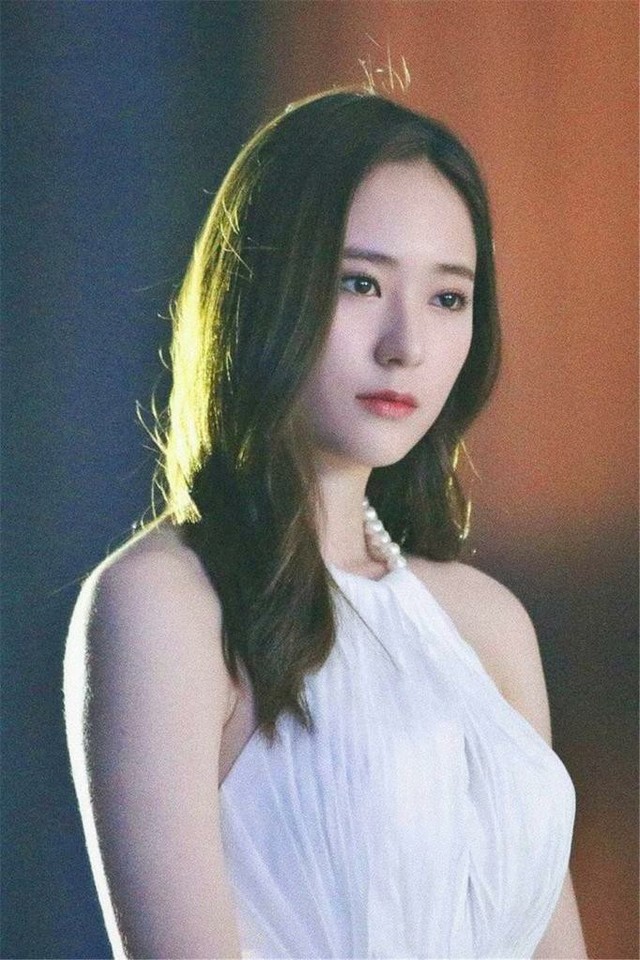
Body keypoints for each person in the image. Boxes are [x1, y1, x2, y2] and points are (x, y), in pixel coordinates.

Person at [63, 88, 588, 959]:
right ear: (263, 289)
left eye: (448, 298)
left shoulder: (488, 622)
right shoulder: (164, 604)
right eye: (359, 282)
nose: (405, 344)